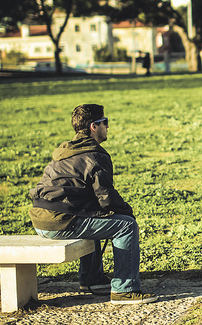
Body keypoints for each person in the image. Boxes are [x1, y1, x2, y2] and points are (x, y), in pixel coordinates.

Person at [28, 104, 157, 305]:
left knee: (95, 216)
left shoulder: (66, 150)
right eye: (105, 122)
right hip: (59, 222)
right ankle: (125, 290)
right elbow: (106, 197)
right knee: (126, 226)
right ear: (93, 127)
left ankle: (92, 278)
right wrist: (127, 212)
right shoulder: (95, 156)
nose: (108, 126)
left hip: (41, 220)